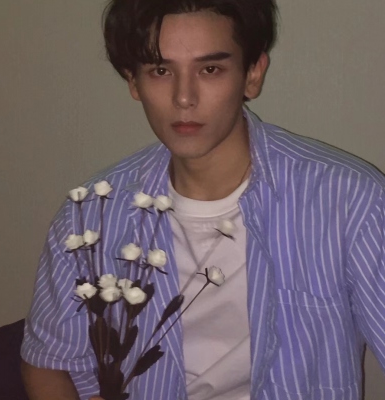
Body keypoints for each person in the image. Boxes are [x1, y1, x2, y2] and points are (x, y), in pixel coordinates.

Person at [21, 0, 385, 399]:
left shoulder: (348, 201)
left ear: (252, 74)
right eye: (161, 71)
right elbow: (49, 363)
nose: (184, 98)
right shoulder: (91, 215)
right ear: (133, 82)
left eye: (210, 69)